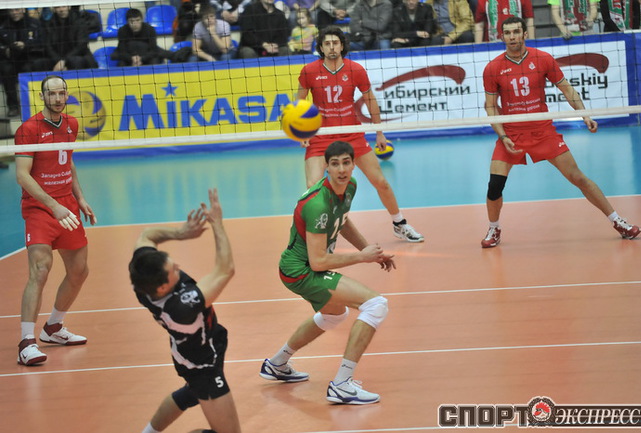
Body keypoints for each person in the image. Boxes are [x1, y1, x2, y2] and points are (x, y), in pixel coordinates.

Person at [480, 16, 641, 248]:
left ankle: (618, 221)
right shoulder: (493, 68)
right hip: (512, 133)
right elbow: (491, 106)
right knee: (494, 185)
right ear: (502, 36)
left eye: (516, 32)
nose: (512, 37)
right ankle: (494, 228)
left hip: (542, 131)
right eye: (507, 33)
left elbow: (567, 89)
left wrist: (585, 115)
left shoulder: (542, 58)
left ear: (525, 34)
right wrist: (502, 136)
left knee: (578, 178)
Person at [259, 140, 395, 404]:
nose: (341, 169)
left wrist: (369, 250)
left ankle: (277, 364)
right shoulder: (317, 204)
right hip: (300, 270)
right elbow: (319, 262)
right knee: (376, 305)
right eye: (335, 164)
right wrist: (362, 257)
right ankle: (342, 385)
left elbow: (342, 221)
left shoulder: (349, 186)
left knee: (335, 315)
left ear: (354, 165)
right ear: (327, 168)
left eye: (346, 163)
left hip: (304, 268)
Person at [297, 26, 424, 242]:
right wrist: (303, 131)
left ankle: (399, 223)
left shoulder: (355, 69)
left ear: (342, 46)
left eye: (335, 43)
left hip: (351, 133)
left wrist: (379, 133)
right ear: (321, 48)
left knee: (380, 181)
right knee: (312, 187)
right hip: (321, 135)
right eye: (327, 44)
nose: (331, 47)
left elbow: (370, 100)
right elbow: (299, 102)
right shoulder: (309, 71)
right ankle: (322, 232)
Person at [130, 188, 241, 433]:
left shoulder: (141, 274)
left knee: (190, 393)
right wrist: (217, 224)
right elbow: (226, 270)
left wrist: (181, 234)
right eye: (174, 270)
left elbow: (147, 235)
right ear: (163, 287)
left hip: (188, 352)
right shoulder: (181, 308)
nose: (178, 267)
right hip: (202, 366)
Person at [15, 75, 96, 366]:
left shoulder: (71, 124)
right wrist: (53, 206)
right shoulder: (28, 129)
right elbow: (22, 175)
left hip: (67, 205)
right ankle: (26, 342)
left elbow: (68, 161)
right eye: (52, 94)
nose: (58, 98)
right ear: (42, 97)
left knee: (79, 271)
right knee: (40, 270)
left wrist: (80, 198)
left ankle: (53, 327)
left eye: (62, 93)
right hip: (40, 208)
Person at [0, 8, 48, 117]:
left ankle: (31, 105)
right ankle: (13, 107)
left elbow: (42, 42)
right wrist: (5, 50)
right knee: (5, 69)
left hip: (29, 57)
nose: (14, 12)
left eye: (17, 10)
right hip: (11, 59)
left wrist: (26, 45)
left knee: (30, 68)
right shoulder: (3, 26)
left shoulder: (34, 24)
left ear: (23, 9)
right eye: (12, 11)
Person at [42, 6, 98, 71]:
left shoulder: (79, 22)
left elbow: (81, 46)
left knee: (76, 61)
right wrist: (58, 61)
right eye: (58, 7)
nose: (61, 10)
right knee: (40, 63)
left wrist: (64, 60)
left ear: (68, 7)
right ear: (54, 9)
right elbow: (48, 46)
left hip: (78, 57)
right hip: (57, 59)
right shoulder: (49, 24)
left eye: (64, 7)